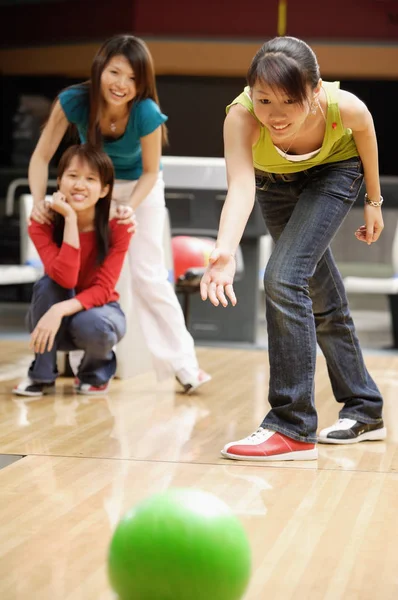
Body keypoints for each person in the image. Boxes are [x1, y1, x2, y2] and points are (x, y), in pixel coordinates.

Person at [200, 36, 386, 461]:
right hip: (272, 185)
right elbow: (241, 186)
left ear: (315, 91)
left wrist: (373, 201)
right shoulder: (241, 118)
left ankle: (292, 425)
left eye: (289, 100)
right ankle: (365, 408)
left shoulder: (345, 107)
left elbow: (367, 135)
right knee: (318, 292)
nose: (276, 115)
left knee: (283, 277)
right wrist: (224, 252)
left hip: (334, 175)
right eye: (264, 100)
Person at [29, 34, 211, 393]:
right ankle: (87, 364)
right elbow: (40, 157)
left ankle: (185, 365)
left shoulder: (145, 113)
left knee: (148, 275)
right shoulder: (74, 102)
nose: (122, 85)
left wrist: (128, 207)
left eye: (132, 79)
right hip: (94, 186)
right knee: (88, 271)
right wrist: (39, 200)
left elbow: (150, 172)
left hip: (138, 189)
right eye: (115, 73)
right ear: (99, 70)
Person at [13, 144, 133, 397]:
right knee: (46, 285)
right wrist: (69, 218)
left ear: (104, 190)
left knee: (93, 323)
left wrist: (58, 310)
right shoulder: (42, 222)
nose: (80, 184)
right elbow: (64, 278)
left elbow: (102, 290)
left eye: (90, 179)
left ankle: (94, 373)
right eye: (72, 176)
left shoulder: (119, 226)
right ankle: (41, 375)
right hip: (52, 318)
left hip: (99, 315)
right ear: (59, 182)